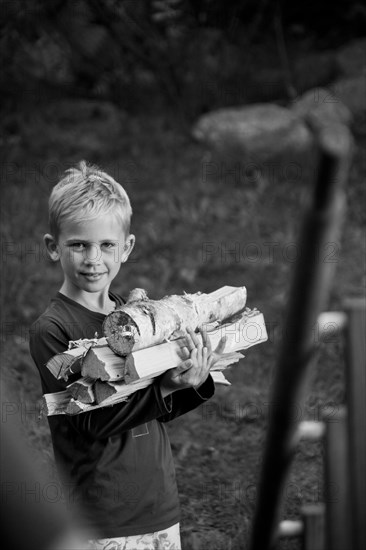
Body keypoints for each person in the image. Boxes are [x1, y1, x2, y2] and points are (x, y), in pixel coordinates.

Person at [29, 161, 227, 550]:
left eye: (107, 245)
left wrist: (191, 381)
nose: (93, 259)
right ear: (54, 247)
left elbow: (157, 408)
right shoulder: (52, 329)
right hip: (102, 513)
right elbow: (87, 422)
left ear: (127, 248)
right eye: (78, 245)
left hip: (157, 501)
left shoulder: (135, 320)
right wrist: (164, 390)